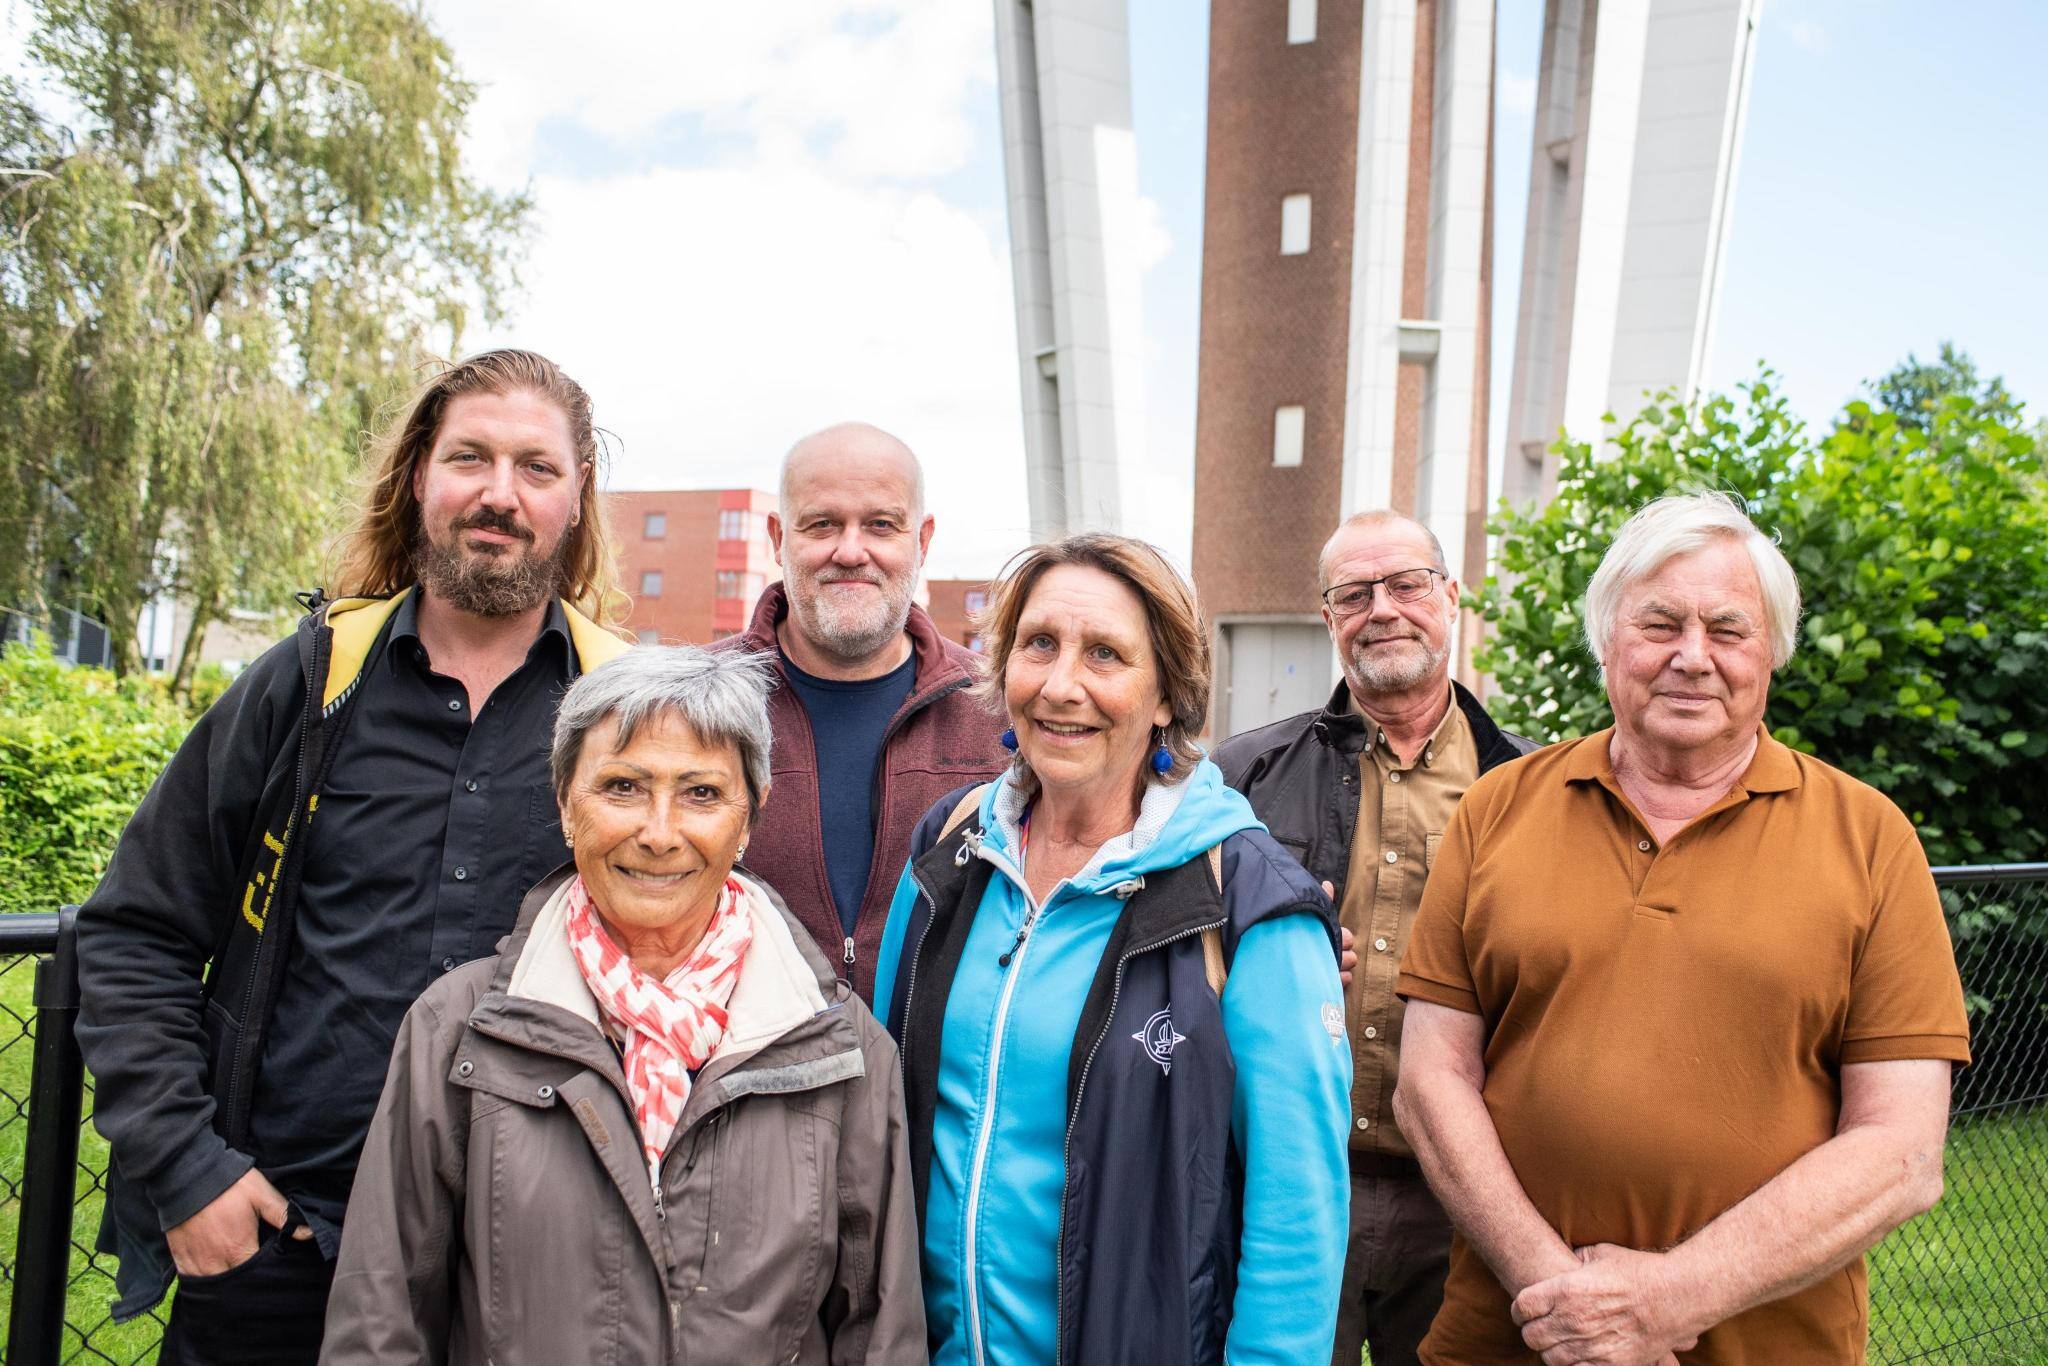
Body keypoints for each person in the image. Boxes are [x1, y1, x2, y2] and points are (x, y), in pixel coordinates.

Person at [75, 350, 632, 1363]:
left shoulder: (623, 711)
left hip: (525, 1263)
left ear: (577, 494)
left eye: (536, 468)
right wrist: (189, 1168)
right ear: (420, 474)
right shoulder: (307, 683)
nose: (499, 495)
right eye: (470, 457)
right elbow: (134, 932)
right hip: (283, 1241)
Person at [1394, 493, 1971, 1364]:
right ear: (1607, 642)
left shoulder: (1870, 837)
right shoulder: (1496, 811)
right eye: (1659, 623)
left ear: (1770, 651)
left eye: (1728, 630)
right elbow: (1429, 1084)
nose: (1692, 658)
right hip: (1510, 1336)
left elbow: (1901, 1151)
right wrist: (1565, 1302)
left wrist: (1666, 1301)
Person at [321, 647, 922, 1364]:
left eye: (701, 793)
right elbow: (380, 1318)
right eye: (623, 787)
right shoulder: (457, 1029)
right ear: (566, 807)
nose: (660, 832)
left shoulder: (838, 1050)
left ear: (749, 819)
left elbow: (881, 1335)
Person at [873, 533, 1352, 1366]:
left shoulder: (1248, 902)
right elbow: (879, 1116)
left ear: (1167, 693)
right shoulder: (949, 848)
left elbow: (1298, 1221)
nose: (1063, 687)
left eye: (1105, 655)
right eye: (1040, 646)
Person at [1216, 508, 1534, 1366]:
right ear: (1329, 619)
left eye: (1405, 584)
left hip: (1464, 1200)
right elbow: (1183, 954)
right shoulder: (1242, 777)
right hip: (1288, 1186)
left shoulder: (1534, 786)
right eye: (1354, 593)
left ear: (1451, 597)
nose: (1381, 608)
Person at [713, 421, 1008, 1003]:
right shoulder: (694, 706)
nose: (851, 551)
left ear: (922, 540)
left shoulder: (1000, 712)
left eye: (881, 525)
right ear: (778, 537)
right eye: (822, 524)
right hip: (746, 1083)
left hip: (936, 1087)